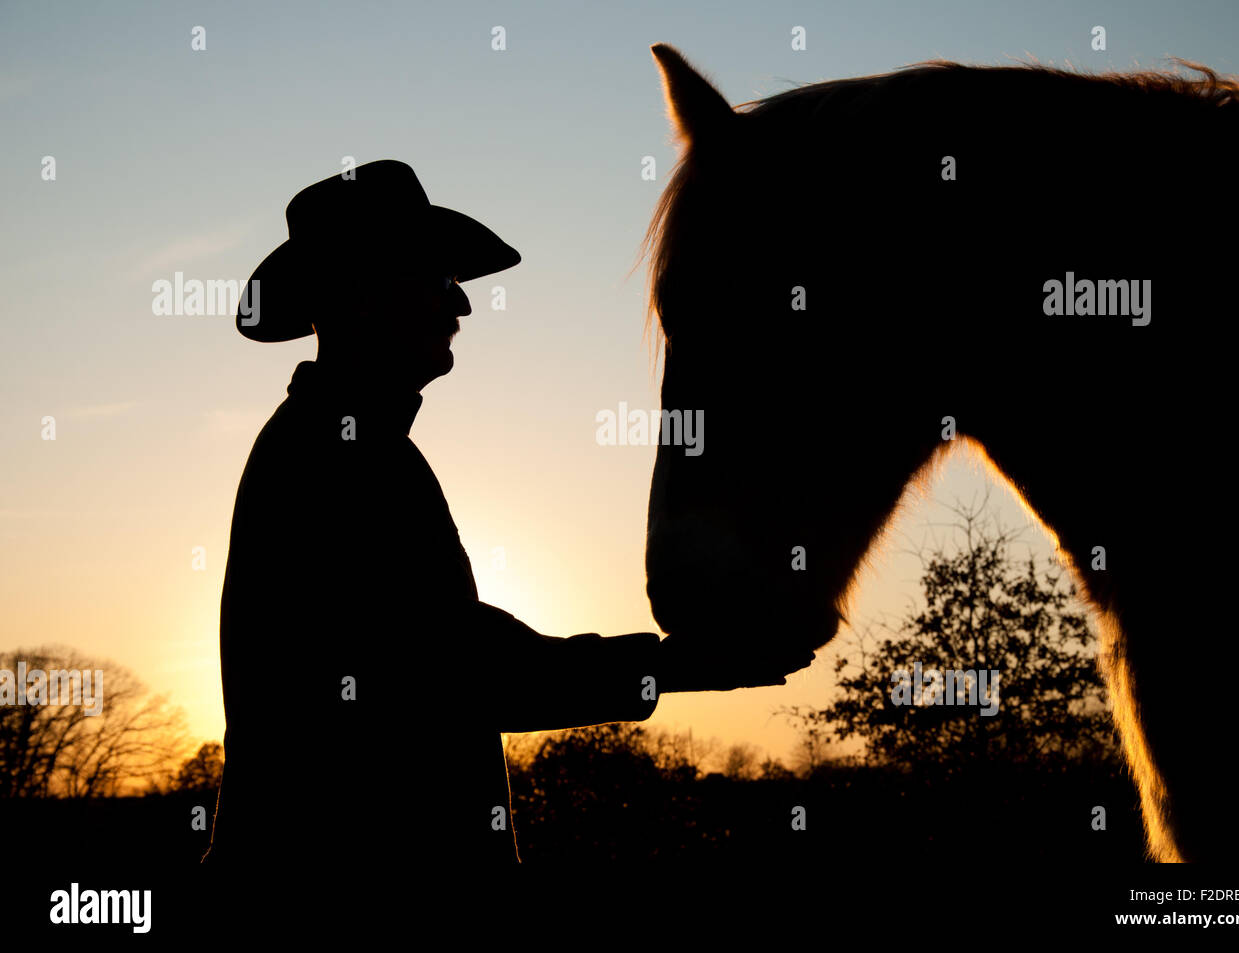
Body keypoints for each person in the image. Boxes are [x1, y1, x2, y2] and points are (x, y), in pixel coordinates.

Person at [203, 160, 812, 894]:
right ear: (364, 297)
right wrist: (679, 666)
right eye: (437, 278)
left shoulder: (342, 447)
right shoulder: (335, 456)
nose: (460, 304)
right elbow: (458, 671)